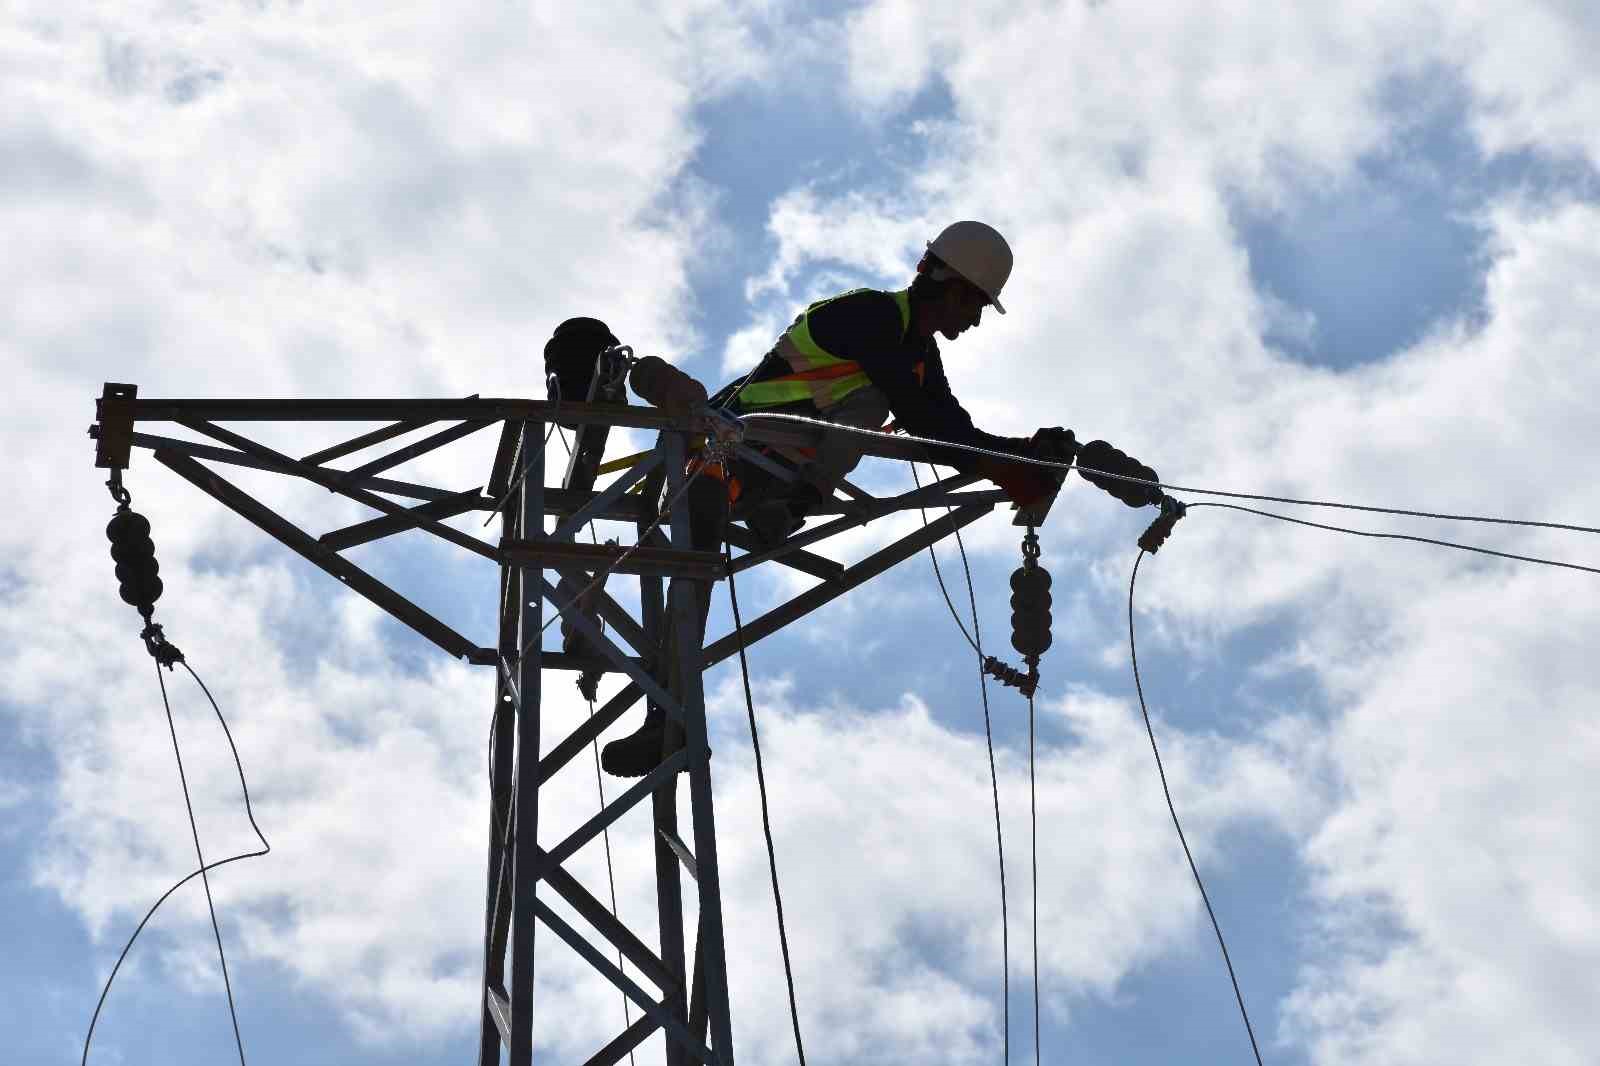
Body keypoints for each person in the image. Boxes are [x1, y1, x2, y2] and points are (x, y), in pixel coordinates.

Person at [600, 220, 1158, 776]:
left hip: (780, 471)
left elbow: (951, 429)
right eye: (977, 304)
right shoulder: (869, 317)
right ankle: (665, 719)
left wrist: (1017, 454)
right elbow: (925, 421)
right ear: (952, 286)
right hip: (731, 453)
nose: (976, 318)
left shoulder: (917, 352)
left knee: (864, 418)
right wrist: (1011, 460)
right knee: (692, 563)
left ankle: (674, 707)